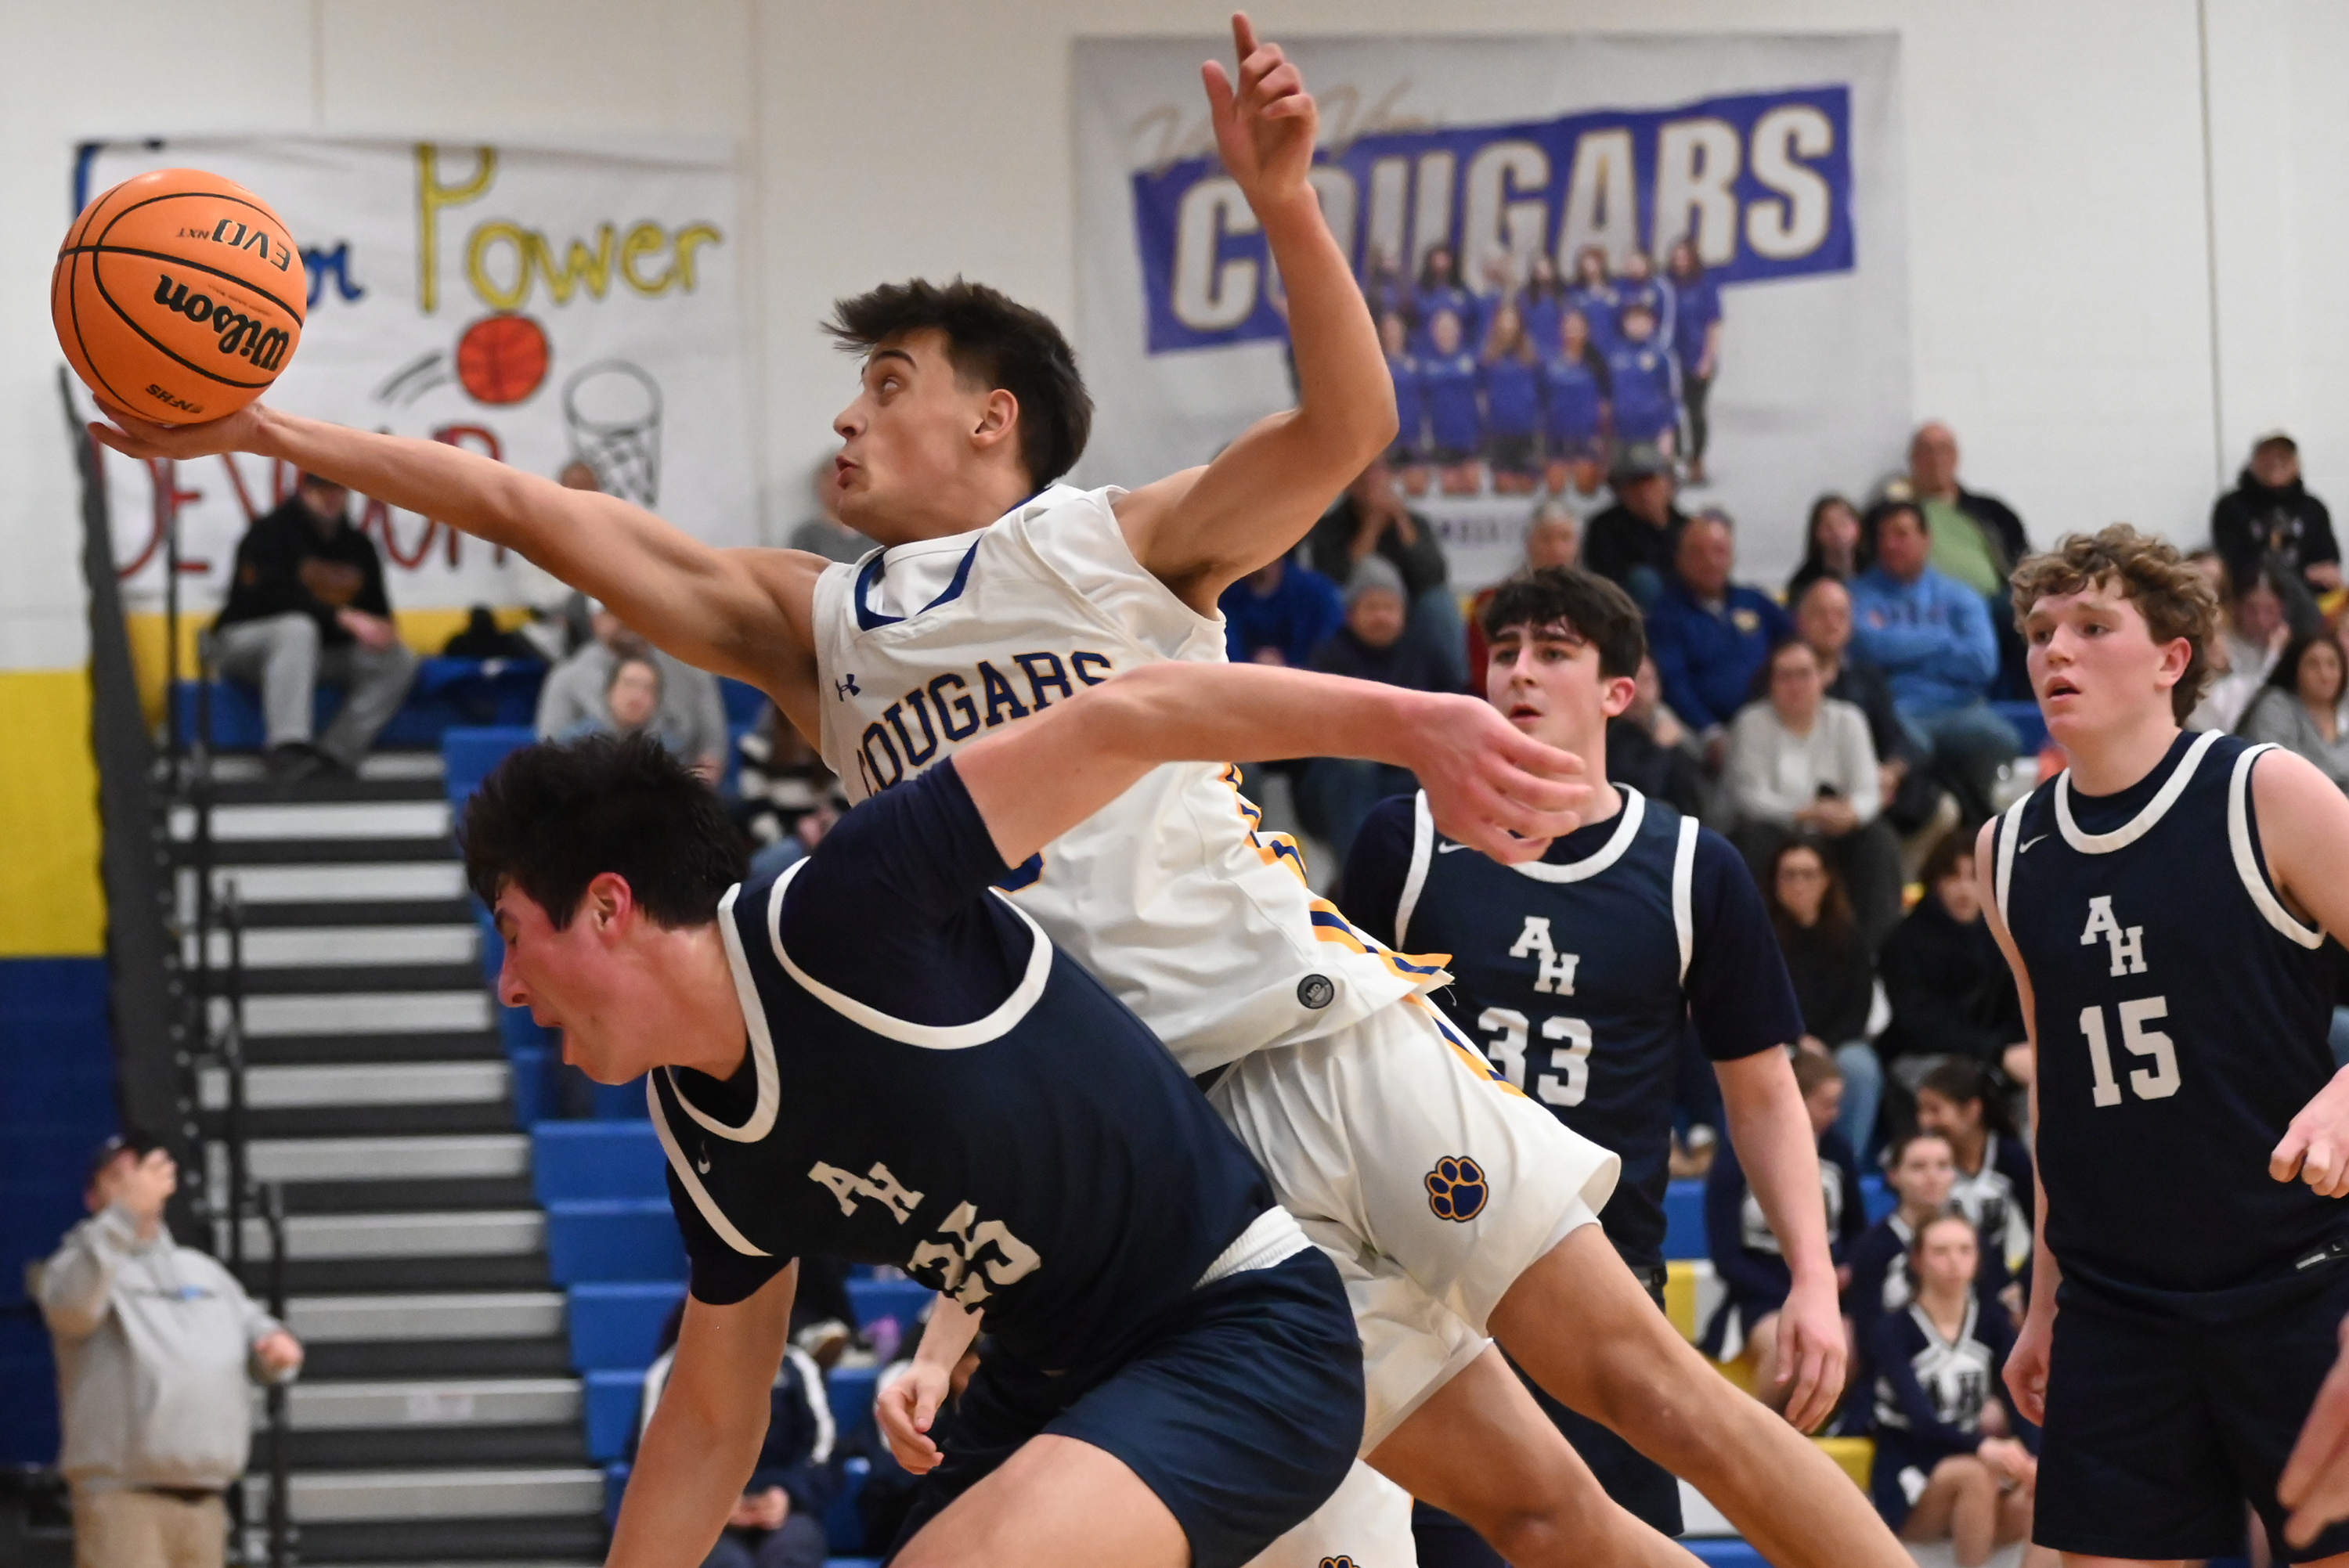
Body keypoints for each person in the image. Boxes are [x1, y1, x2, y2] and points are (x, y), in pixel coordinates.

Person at [91, 22, 1912, 1568]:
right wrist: (272, 430)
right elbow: (541, 516)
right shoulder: (815, 630)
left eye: (888, 384)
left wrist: (1285, 203)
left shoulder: (1109, 541)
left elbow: (1347, 433)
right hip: (1169, 1168)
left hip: (1302, 1029)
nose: (848, 416)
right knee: (1540, 1527)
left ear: (995, 421)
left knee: (1643, 1393)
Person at [470, 661, 1466, 1568]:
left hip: (1239, 1329)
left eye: (514, 936)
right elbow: (710, 1418)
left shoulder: (843, 907)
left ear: (608, 905)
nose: (509, 986)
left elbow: (1124, 714)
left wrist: (1419, 723)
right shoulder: (693, 1119)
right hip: (1049, 1383)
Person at [1341, 568, 1853, 1543]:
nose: (1519, 671)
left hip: (1603, 1296)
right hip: (1429, 1302)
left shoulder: (1695, 867)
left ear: (1619, 690)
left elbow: (1765, 1096)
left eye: (1554, 651)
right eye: (1507, 650)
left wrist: (1815, 1280)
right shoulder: (1399, 842)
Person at [1978, 524, 2349, 1566]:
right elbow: (2060, 1094)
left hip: (2297, 1281)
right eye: (2042, 629)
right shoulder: (2008, 849)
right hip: (2118, 1304)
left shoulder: (2264, 790)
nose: (2056, 650)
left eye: (2093, 627)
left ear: (2171, 659)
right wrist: (2047, 1300)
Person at [35, 1134, 304, 1568]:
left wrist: (274, 1349)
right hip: (124, 1501)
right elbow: (70, 1310)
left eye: (141, 1173)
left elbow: (255, 1329)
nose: (134, 1184)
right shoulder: (76, 1268)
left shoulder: (204, 1272)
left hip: (206, 1501)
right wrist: (123, 1217)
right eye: (119, 1176)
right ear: (92, 1196)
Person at [208, 470, 418, 786]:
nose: (332, 497)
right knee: (297, 628)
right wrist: (340, 616)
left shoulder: (359, 547)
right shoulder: (269, 533)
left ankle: (336, 754)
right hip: (245, 643)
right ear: (304, 491)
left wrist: (382, 630)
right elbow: (262, 598)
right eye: (323, 490)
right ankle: (287, 746)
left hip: (318, 654)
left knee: (399, 659)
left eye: (339, 489)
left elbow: (377, 611)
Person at [1865, 1213, 2037, 1567]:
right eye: (1940, 1251)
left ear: (1977, 1259)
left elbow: (2019, 1403)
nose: (1953, 1262)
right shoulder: (1893, 1330)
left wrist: (2034, 1459)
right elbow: (1922, 1425)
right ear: (1917, 1260)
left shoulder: (1992, 1324)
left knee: (2043, 1487)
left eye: (1964, 1250)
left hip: (1979, 1465)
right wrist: (1985, 1446)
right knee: (1975, 1474)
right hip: (1911, 1473)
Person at [1702, 1050, 1869, 1411]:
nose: (1835, 1114)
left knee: (1854, 1338)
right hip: (1757, 1295)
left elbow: (1858, 1232)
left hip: (1826, 1292)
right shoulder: (1737, 1153)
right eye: (1827, 1103)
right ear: (1796, 1099)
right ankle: (1756, 1443)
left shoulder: (1837, 1150)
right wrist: (1796, 1289)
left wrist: (1840, 1274)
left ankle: (1807, 1436)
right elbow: (1726, 1257)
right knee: (1792, 1345)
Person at [1727, 640, 1903, 950]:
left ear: (1822, 677)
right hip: (1778, 830)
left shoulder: (1848, 720)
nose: (1795, 685)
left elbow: (1868, 790)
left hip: (1835, 833)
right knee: (1750, 839)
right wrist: (1804, 812)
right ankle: (1754, 951)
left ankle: (1873, 955)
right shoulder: (1751, 723)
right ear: (1771, 682)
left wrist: (1852, 814)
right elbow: (1749, 797)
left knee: (1878, 840)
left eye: (1804, 674)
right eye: (1785, 676)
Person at [1849, 499, 2018, 823]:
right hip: (1898, 710)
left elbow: (1982, 663)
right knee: (1906, 747)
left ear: (1926, 539)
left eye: (1901, 534)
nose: (1890, 545)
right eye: (1883, 537)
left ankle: (1991, 834)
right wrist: (1942, 640)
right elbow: (1867, 648)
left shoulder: (1960, 595)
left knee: (2003, 738)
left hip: (1960, 709)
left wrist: (1902, 654)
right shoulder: (1859, 594)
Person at [635, 1301, 837, 1568]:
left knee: (794, 1550)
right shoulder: (670, 1371)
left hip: (783, 1509)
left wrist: (787, 1494)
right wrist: (709, 1504)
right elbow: (652, 1462)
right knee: (725, 1562)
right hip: (699, 1519)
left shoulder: (795, 1367)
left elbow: (824, 1451)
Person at [1300, 558, 1456, 856]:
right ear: (1350, 614)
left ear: (1404, 613)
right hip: (1338, 782)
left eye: (1389, 607)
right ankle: (1359, 873)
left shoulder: (1426, 654)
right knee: (1355, 770)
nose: (1381, 616)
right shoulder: (1329, 657)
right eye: (1372, 608)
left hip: (1408, 774)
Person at [1845, 1132, 2013, 1388]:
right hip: (1895, 1378)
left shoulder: (1973, 1239)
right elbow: (1868, 1335)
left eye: (1943, 1166)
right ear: (1893, 1175)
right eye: (1918, 1167)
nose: (1932, 1177)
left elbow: (1992, 1315)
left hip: (1970, 1376)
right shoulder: (1871, 1248)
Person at [1793, 577, 1943, 838]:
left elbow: (1894, 736)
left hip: (1868, 786)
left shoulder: (1867, 677)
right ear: (1801, 621)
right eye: (1821, 614)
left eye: (1839, 614)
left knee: (1942, 806)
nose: (1831, 622)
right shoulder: (1784, 676)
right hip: (1804, 792)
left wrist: (1890, 772)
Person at [1876, 834, 2030, 1084]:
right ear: (1935, 882)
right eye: (1953, 877)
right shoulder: (1904, 942)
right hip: (1921, 1056)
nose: (1964, 889)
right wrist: (1997, 1053)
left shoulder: (2006, 936)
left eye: (1975, 877)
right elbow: (1922, 1024)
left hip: (1997, 1053)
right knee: (1963, 1085)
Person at [1763, 839, 1883, 1155]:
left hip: (1833, 1044)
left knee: (1859, 1065)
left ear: (1826, 880)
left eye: (1808, 874)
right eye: (1789, 874)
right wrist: (1796, 1039)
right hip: (1774, 1042)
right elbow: (1750, 1005)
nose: (1799, 884)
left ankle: (1843, 1161)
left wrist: (1823, 1045)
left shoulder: (1848, 938)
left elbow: (1858, 1008)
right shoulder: (1757, 937)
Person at [1305, 456, 1464, 690]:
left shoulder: (1414, 522)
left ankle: (1457, 686)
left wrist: (1401, 520)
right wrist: (1371, 526)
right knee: (1328, 599)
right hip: (1352, 610)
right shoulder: (1330, 527)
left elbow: (1433, 576)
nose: (1370, 481)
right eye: (1363, 474)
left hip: (1405, 612)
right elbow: (1335, 578)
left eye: (1377, 472)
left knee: (1440, 603)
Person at [536, 598, 730, 782]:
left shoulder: (692, 669)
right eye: (614, 612)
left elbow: (712, 753)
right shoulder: (567, 676)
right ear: (595, 620)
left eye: (635, 611)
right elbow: (550, 752)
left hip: (676, 792)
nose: (627, 619)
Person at [1647, 510, 1792, 739]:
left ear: (1732, 556)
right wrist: (1710, 730)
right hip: (1707, 733)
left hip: (1773, 721)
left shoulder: (1754, 600)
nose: (1710, 561)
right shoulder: (1666, 617)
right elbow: (1675, 684)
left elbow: (1794, 643)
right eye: (1698, 553)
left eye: (1719, 551)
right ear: (1680, 559)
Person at [2212, 431, 2341, 602]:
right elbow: (2236, 563)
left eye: (2284, 456)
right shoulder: (2231, 507)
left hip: (2310, 598)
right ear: (2254, 461)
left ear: (2297, 463)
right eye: (2268, 455)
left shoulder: (2313, 508)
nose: (2276, 462)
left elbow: (2328, 563)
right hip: (2250, 597)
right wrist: (2303, 573)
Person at [1465, 501, 1580, 676]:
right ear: (1528, 543)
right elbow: (1484, 671)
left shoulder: (1593, 603)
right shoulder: (1491, 603)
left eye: (1565, 538)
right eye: (1546, 538)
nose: (1556, 548)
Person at [1584, 444, 1690, 610]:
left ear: (1670, 484)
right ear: (1620, 490)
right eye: (1634, 484)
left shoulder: (1687, 529)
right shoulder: (1604, 528)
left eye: (1651, 481)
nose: (1644, 492)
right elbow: (1609, 584)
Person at [2192, 558, 2291, 732]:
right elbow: (2224, 719)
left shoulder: (2290, 646)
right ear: (2236, 606)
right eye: (2252, 609)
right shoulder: (2217, 642)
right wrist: (2272, 658)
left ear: (2282, 610)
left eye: (2269, 610)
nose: (2261, 620)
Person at [2240, 633, 2349, 791]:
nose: (2324, 674)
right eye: (2313, 664)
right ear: (2295, 667)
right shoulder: (2276, 706)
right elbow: (2277, 767)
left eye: (2332, 664)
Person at [1607, 653, 1708, 820]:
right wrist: (1660, 749)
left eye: (1647, 681)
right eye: (1633, 682)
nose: (1639, 692)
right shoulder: (1611, 734)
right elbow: (1639, 793)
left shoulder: (1664, 720)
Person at [1218, 553, 1345, 670]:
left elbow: (1331, 650)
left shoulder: (1318, 595)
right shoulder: (1224, 593)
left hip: (1302, 682)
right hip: (1237, 678)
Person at [1663, 240, 1720, 486]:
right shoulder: (1665, 286)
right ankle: (1673, 463)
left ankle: (1696, 460)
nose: (1680, 261)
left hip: (1697, 360)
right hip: (1670, 362)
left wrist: (1707, 359)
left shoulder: (1705, 285)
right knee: (1672, 414)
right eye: (1676, 256)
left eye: (1684, 256)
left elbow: (1714, 325)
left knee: (1695, 414)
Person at [1539, 308, 1609, 497]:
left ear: (1587, 330)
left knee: (1586, 492)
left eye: (1577, 327)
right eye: (1568, 327)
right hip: (1556, 439)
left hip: (1587, 440)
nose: (1572, 332)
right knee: (1555, 493)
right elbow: (1541, 401)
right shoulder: (1549, 364)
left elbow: (1606, 406)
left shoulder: (1598, 364)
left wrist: (1604, 441)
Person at [1599, 301, 1680, 456]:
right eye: (1633, 320)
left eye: (1643, 319)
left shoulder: (1662, 355)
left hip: (1652, 432)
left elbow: (1673, 396)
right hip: (1619, 433)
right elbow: (1605, 396)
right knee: (1620, 479)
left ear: (1652, 322)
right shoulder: (1613, 354)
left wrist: (1668, 432)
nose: (1637, 325)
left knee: (1651, 479)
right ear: (1624, 323)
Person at [1480, 301, 1541, 496]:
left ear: (1519, 323)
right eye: (1503, 319)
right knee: (1504, 488)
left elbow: (1544, 393)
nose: (1507, 324)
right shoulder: (1487, 358)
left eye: (1511, 319)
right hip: (1498, 434)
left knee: (1527, 488)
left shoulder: (1531, 358)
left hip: (1526, 433)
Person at [1786, 494, 1864, 604]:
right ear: (1816, 534)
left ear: (1858, 527)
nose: (1837, 532)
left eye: (1843, 524)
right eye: (1828, 527)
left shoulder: (1878, 569)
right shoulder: (1804, 581)